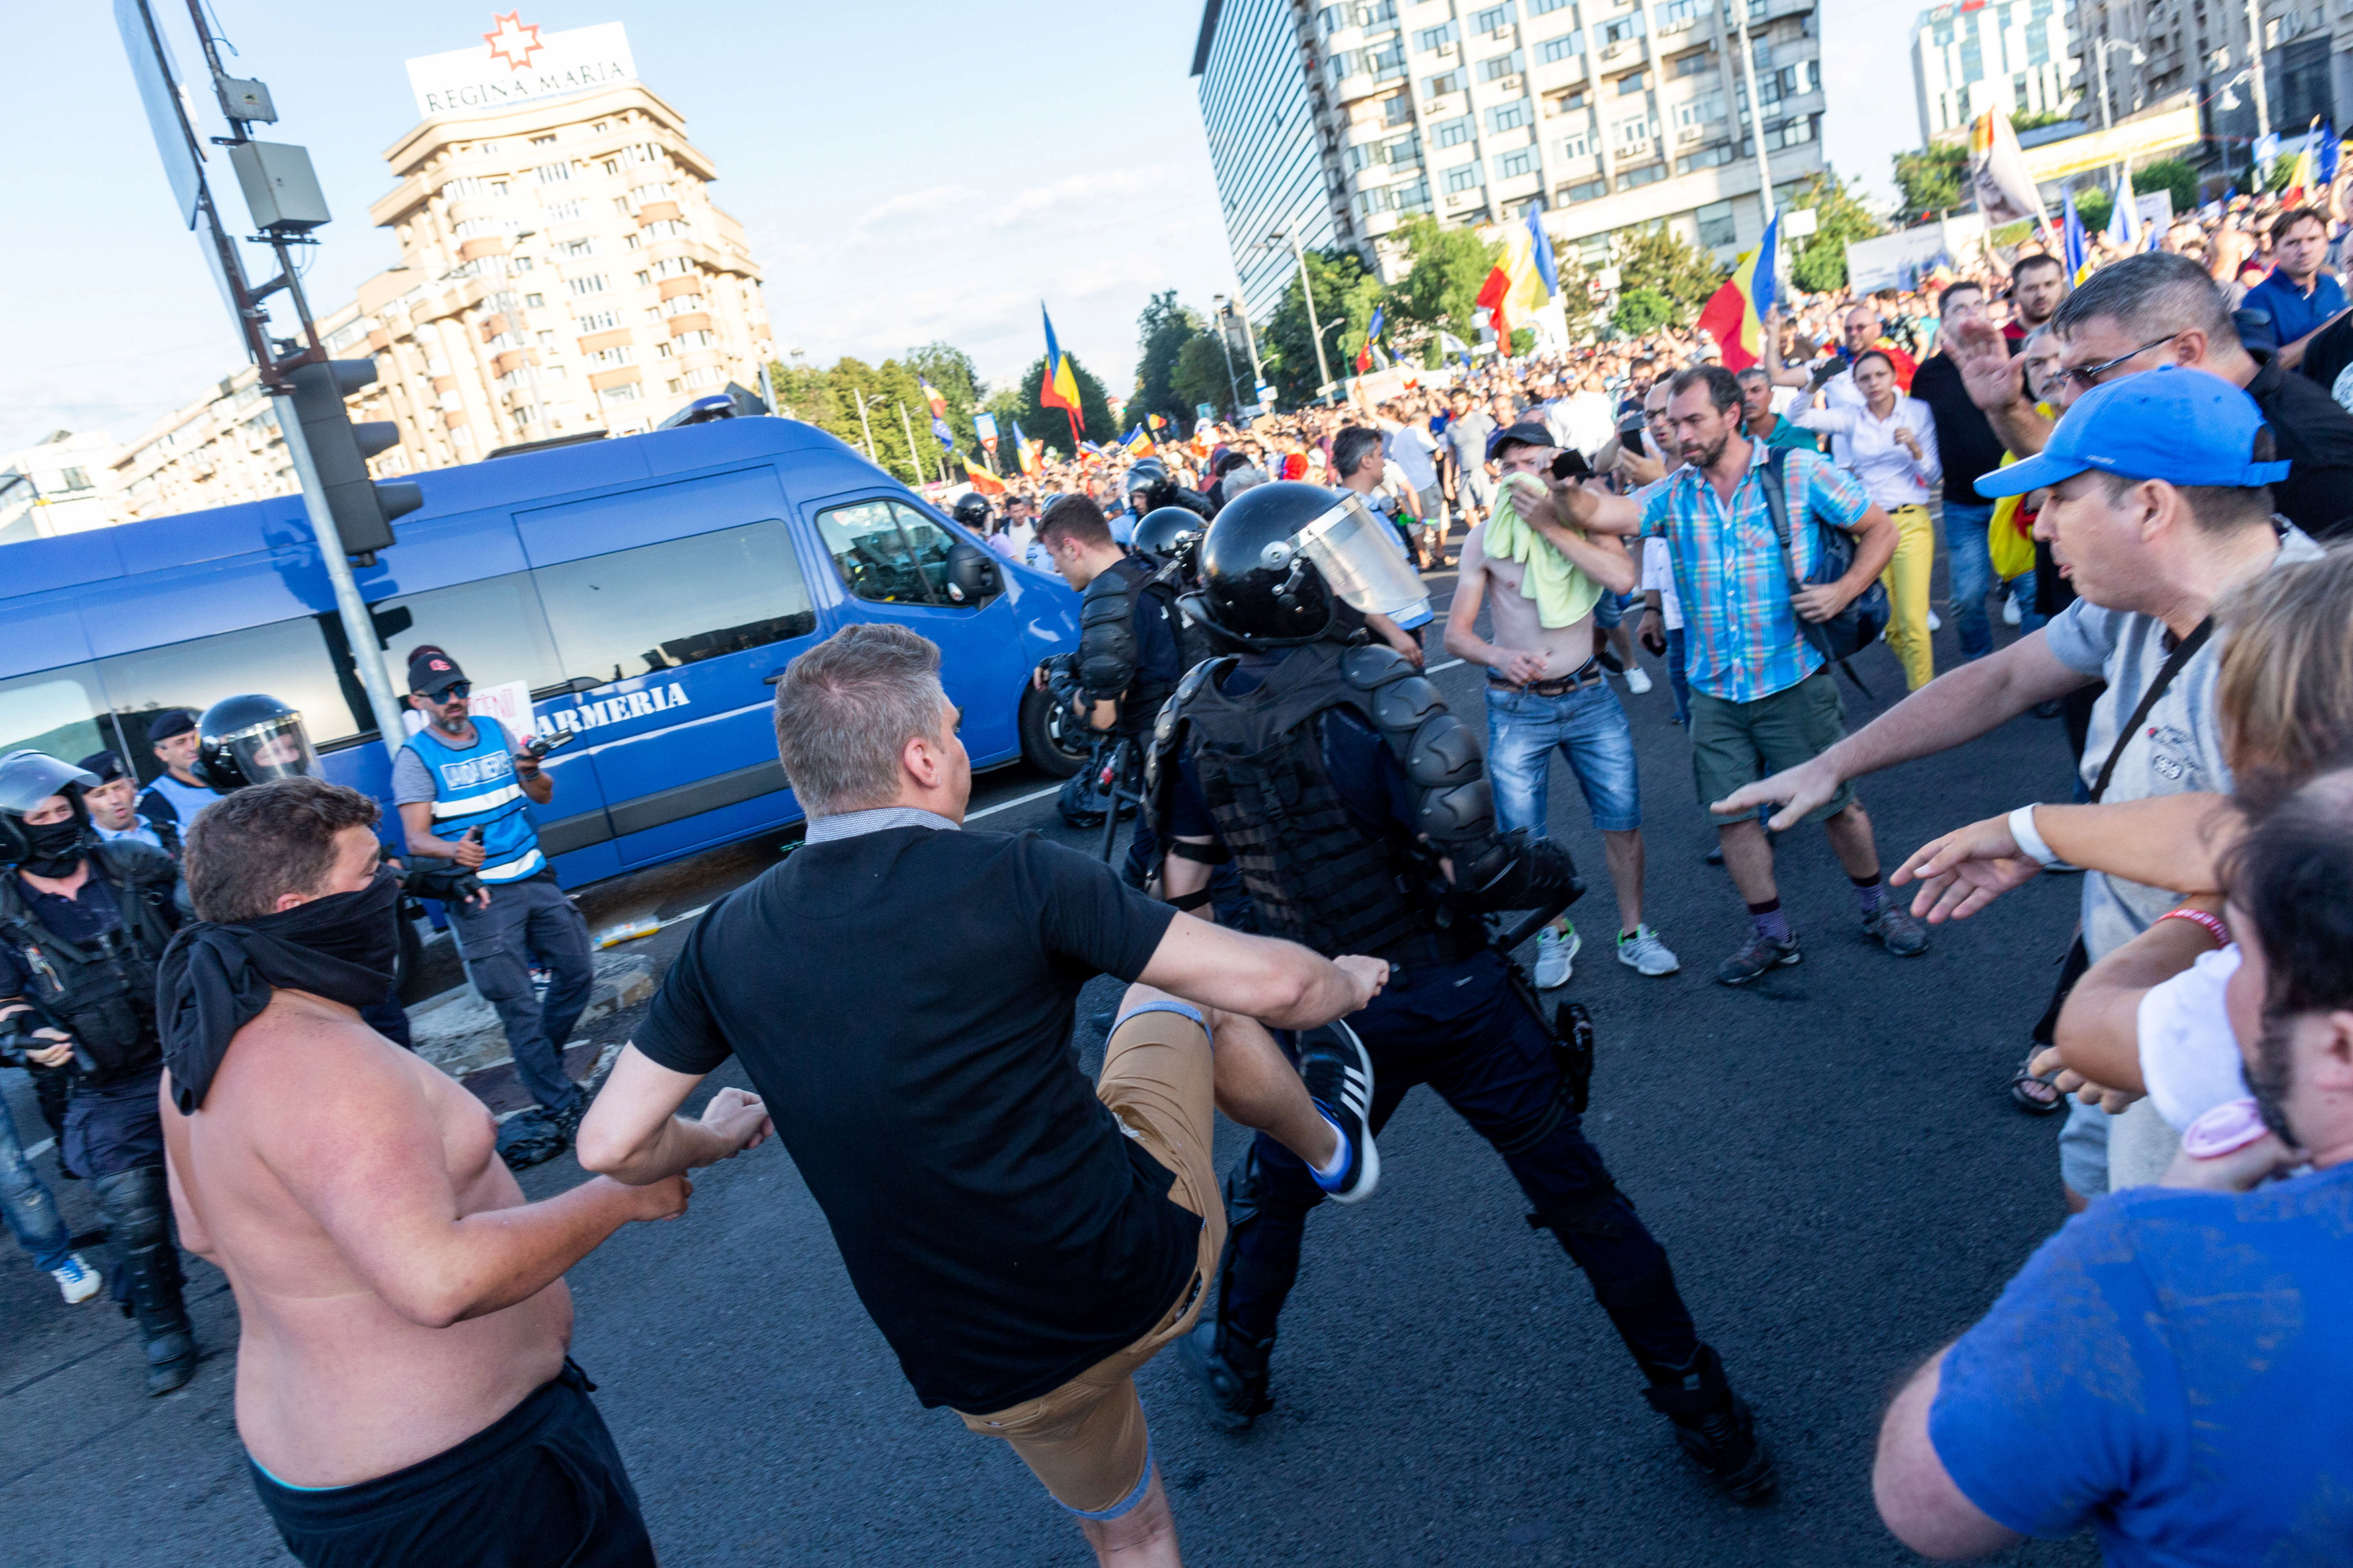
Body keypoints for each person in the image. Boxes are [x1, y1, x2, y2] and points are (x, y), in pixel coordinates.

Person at [579, 622, 1386, 1567]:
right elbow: (1277, 988)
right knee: (1179, 985)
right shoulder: (1019, 874)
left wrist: (714, 1138)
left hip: (990, 1360)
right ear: (922, 758)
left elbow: (608, 1146)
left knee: (1134, 1535)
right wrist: (1344, 977)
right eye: (955, 730)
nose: (962, 747)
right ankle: (1331, 1151)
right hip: (1136, 1266)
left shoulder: (724, 939)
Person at [1152, 481, 1774, 1503]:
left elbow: (1180, 892)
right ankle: (1710, 1418)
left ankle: (1238, 1367)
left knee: (1283, 1185)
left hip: (1323, 1007)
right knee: (1581, 1200)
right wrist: (1552, 873)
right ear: (1304, 590)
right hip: (1447, 986)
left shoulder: (1198, 713)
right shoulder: (1380, 697)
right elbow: (1473, 869)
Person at [1724, 366, 2320, 1202]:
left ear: (2150, 507)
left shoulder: (2305, 652)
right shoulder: (2136, 600)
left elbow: (2260, 859)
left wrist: (2044, 849)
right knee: (2088, 1193)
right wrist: (1833, 761)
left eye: (2061, 497)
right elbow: (2000, 680)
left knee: (2162, 1285)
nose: (2035, 527)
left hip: (2209, 1045)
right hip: (2131, 1007)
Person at [159, 776, 730, 1568]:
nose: (392, 884)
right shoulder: (329, 1067)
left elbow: (202, 1229)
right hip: (455, 1486)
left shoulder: (205, 1037)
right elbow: (439, 1280)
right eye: (369, 872)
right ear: (298, 909)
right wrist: (618, 1197)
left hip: (334, 1477)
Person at [1871, 773, 2353, 1564]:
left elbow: (1924, 1503)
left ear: (2338, 1046)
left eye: (2239, 968)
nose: (2221, 994)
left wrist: (2178, 1198)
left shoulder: (2154, 1272)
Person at [1559, 367, 1924, 983]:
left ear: (1732, 415)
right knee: (1732, 817)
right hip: (1714, 691)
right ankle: (1772, 933)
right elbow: (1604, 512)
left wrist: (1843, 590)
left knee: (1836, 804)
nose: (1678, 435)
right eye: (1671, 423)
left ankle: (1875, 905)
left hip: (1794, 679)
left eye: (1692, 421)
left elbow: (1880, 529)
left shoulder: (1797, 470)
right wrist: (1556, 485)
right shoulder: (1676, 493)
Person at [1446, 421, 1678, 986]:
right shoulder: (1485, 538)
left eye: (1528, 462)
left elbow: (1622, 578)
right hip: (1516, 705)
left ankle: (1633, 932)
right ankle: (1556, 932)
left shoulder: (1590, 513)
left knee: (1622, 822)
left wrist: (1553, 527)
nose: (1517, 476)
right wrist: (1499, 656)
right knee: (1526, 839)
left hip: (1589, 695)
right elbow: (1456, 634)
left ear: (1551, 464)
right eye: (1507, 467)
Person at [0, 749, 195, 1393]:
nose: (58, 822)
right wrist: (23, 1031)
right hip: (106, 1085)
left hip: (191, 1054)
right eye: (41, 815)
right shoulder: (3, 912)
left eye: (65, 809)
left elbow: (202, 916)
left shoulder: (134, 865)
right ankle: (165, 1329)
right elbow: (7, 999)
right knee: (133, 1217)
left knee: (261, 1183)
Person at [1948, 250, 2353, 540]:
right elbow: (2073, 467)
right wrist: (2006, 407)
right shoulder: (2173, 413)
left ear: (2186, 352)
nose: (2070, 396)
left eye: (2091, 371)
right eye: (2069, 373)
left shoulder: (2313, 461)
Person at [393, 646, 596, 1142]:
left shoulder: (495, 730)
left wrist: (528, 768)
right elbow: (416, 837)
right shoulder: (415, 757)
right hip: (483, 896)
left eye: (460, 688)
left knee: (577, 971)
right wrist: (453, 852)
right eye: (441, 694)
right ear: (420, 700)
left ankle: (541, 1066)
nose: (455, 699)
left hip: (533, 876)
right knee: (519, 1004)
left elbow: (543, 793)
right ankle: (556, 1097)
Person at [1033, 495, 1188, 889]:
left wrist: (1061, 685)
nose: (1054, 566)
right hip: (1190, 740)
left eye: (1054, 554)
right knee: (1148, 873)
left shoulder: (1108, 596)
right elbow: (1133, 652)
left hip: (1168, 760)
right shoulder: (1148, 570)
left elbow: (1102, 717)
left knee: (1164, 884)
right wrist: (1064, 663)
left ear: (1072, 546)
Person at [1789, 349, 1943, 691]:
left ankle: (1923, 702)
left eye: (1879, 375)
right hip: (1871, 530)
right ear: (1856, 385)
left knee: (1914, 623)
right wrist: (1813, 384)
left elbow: (1933, 476)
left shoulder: (1917, 412)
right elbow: (1797, 417)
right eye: (1865, 378)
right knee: (1887, 625)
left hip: (1911, 521)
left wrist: (1915, 449)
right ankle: (1929, 690)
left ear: (1892, 377)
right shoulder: (1851, 417)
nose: (1873, 383)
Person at [1910, 280, 2031, 662]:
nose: (1971, 314)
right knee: (1966, 597)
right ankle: (1981, 670)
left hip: (2018, 494)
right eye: (1960, 308)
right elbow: (1921, 432)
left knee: (2032, 592)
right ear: (1942, 320)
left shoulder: (2013, 355)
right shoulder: (1927, 375)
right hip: (1964, 500)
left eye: (1978, 305)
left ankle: (2039, 679)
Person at [2239, 206, 2348, 372]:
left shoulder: (2331, 286)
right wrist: (2337, 325)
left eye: (2313, 239)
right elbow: (2266, 368)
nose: (2305, 250)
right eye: (2292, 243)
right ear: (2274, 250)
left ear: (2326, 243)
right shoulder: (2259, 298)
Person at [136, 708, 216, 841]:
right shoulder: (156, 801)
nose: (192, 747)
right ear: (162, 754)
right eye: (181, 742)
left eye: (195, 738)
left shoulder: (229, 775)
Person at [76, 749, 173, 856]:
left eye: (118, 788)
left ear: (133, 785)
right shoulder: (85, 852)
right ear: (83, 804)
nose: (115, 800)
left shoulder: (172, 830)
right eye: (100, 794)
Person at [1443, 387, 1498, 530]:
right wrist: (1448, 482)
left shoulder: (1482, 420)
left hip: (1483, 472)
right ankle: (1482, 549)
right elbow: (1450, 456)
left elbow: (1498, 441)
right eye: (1455, 402)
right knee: (1470, 516)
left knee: (1490, 513)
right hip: (1464, 474)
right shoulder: (1450, 428)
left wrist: (1497, 468)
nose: (1458, 405)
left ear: (1468, 401)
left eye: (1461, 401)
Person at [1734, 367, 1819, 454]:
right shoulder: (1734, 439)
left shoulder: (1798, 434)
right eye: (1741, 393)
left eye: (1756, 391)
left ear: (1771, 395)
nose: (1747, 398)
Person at [2000, 252, 2067, 347]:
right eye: (2031, 288)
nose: (2041, 294)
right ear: (2015, 294)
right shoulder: (2002, 341)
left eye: (2049, 284)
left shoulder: (2079, 331)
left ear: (2061, 284)